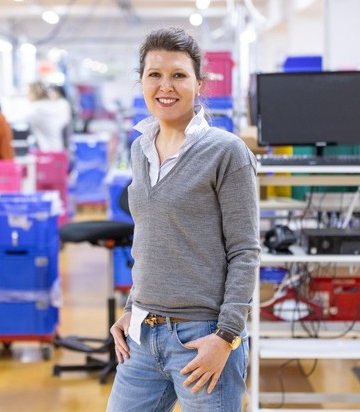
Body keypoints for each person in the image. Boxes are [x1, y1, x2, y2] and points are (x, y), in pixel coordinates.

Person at [106, 27, 260, 412]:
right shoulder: (140, 148)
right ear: (141, 80)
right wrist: (130, 308)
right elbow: (150, 237)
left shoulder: (227, 152)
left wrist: (226, 336)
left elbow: (245, 250)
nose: (165, 86)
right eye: (154, 75)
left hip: (202, 338)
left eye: (178, 75)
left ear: (198, 83)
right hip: (142, 336)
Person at [24, 80, 66, 152]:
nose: (26, 95)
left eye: (28, 92)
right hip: (57, 148)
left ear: (34, 93)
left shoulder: (37, 109)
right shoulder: (49, 105)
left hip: (49, 151)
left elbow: (17, 118)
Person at [47, 83, 73, 149]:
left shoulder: (63, 103)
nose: (51, 94)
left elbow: (65, 118)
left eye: (53, 92)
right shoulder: (49, 103)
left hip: (62, 129)